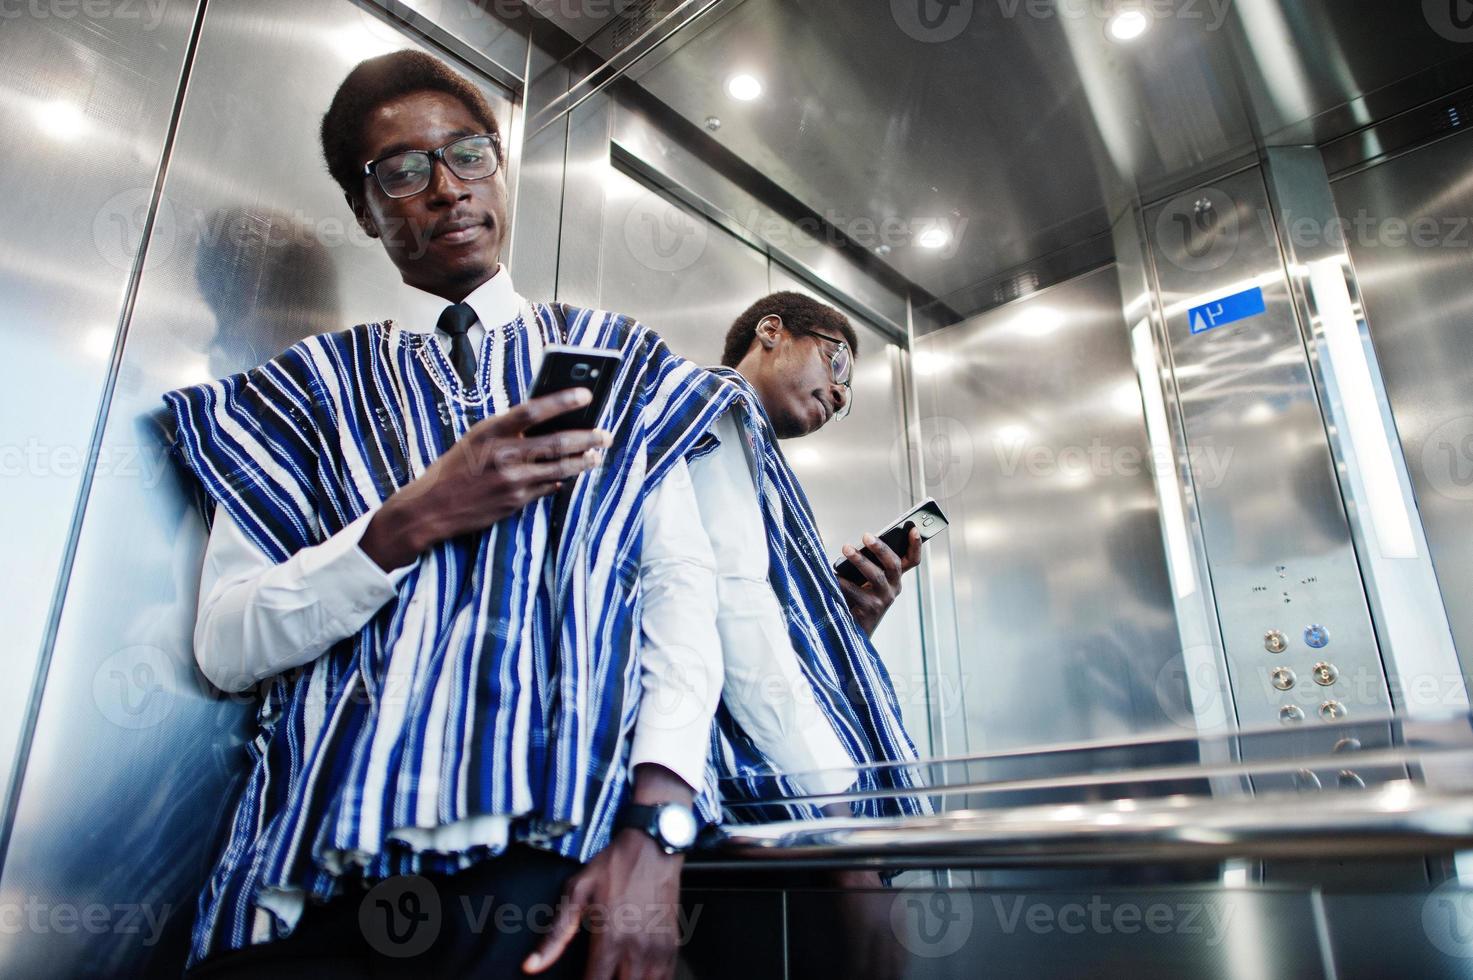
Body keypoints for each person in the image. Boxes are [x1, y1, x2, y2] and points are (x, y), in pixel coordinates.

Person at [167, 50, 751, 979]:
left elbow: (680, 597)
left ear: (499, 168)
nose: (444, 190)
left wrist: (656, 830)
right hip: (314, 878)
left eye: (467, 155)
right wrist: (411, 518)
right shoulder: (302, 395)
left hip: (543, 865)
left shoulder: (617, 359)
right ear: (365, 211)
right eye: (401, 172)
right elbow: (227, 645)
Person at [688, 292, 932, 825]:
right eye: (836, 360)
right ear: (772, 332)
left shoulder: (766, 473)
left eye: (847, 391)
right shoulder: (713, 408)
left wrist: (849, 626)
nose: (841, 395)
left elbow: (776, 631)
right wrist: (829, 790)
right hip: (768, 778)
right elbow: (735, 604)